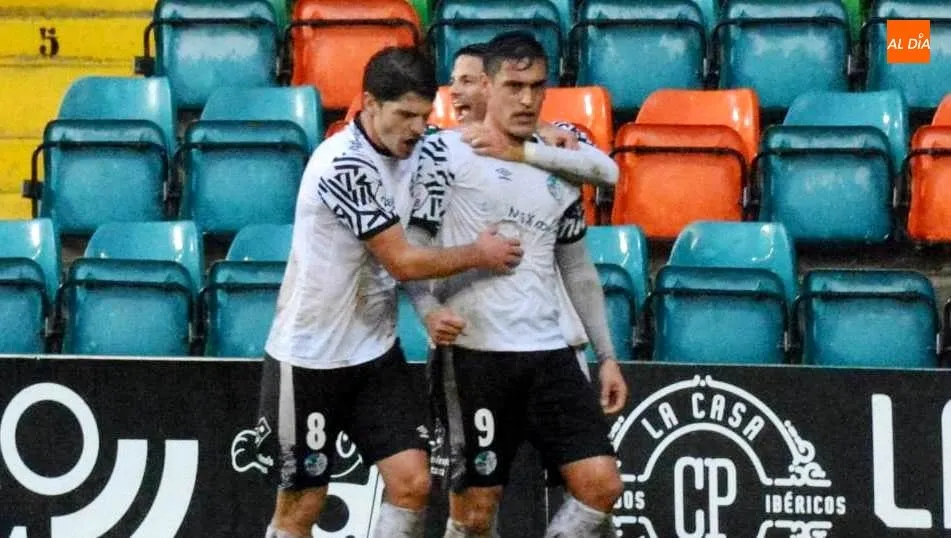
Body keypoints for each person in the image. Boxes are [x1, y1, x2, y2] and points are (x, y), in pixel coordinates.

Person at [256, 46, 525, 538]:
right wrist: (478, 253)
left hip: (375, 356)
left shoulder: (424, 148)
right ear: (368, 104)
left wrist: (558, 137)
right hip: (309, 358)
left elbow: (489, 141)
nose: (417, 128)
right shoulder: (342, 166)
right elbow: (401, 260)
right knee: (302, 506)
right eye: (404, 115)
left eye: (424, 115)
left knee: (413, 482)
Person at [408, 32, 627, 538]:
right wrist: (426, 312)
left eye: (537, 86)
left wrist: (607, 355)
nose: (527, 99)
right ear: (486, 86)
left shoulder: (558, 159)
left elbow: (576, 266)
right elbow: (410, 250)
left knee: (602, 485)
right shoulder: (444, 155)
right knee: (475, 515)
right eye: (514, 85)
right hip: (474, 356)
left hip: (549, 353)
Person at [439, 40, 621, 377]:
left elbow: (608, 174)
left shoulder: (557, 141)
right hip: (477, 346)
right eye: (455, 81)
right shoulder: (443, 152)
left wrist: (527, 147)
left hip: (557, 343)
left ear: (487, 85)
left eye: (467, 80)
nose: (455, 92)